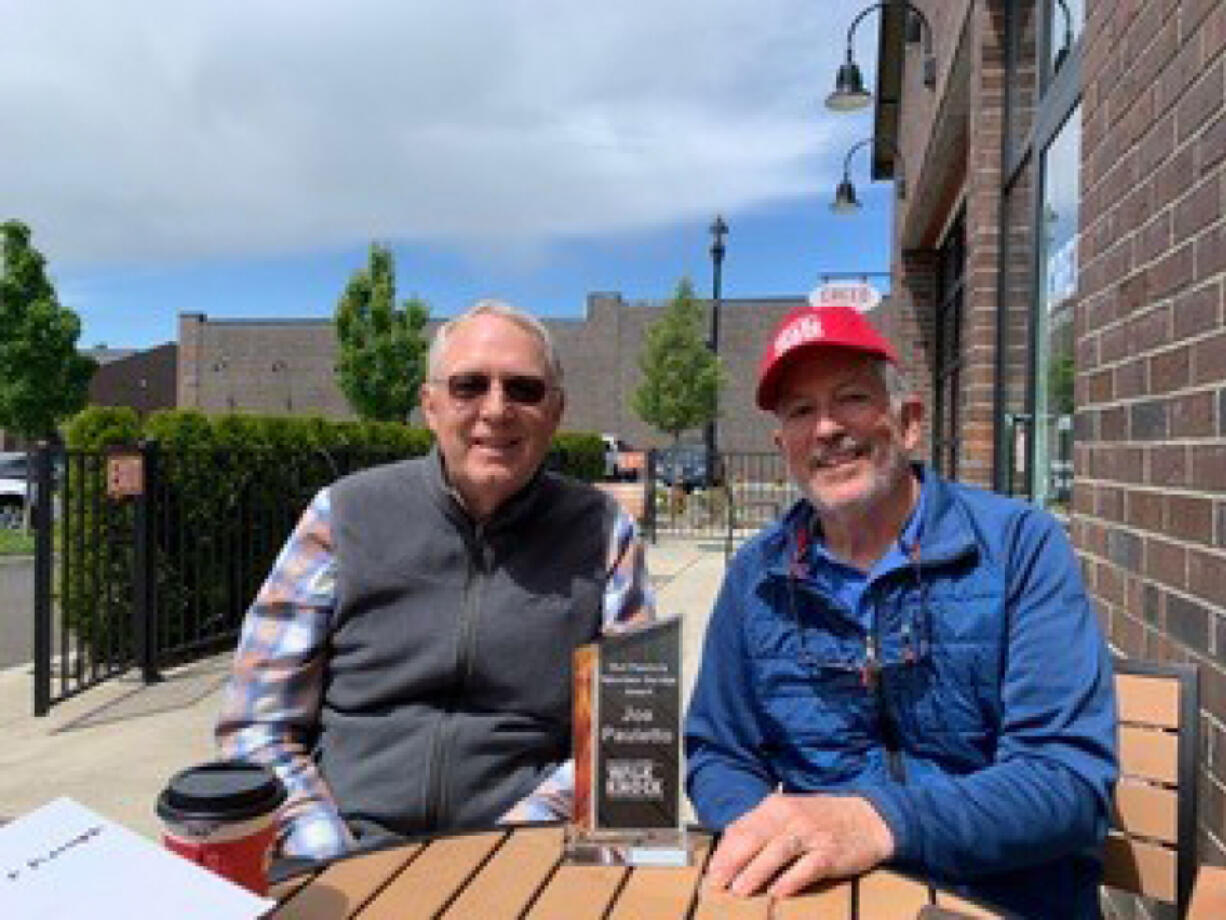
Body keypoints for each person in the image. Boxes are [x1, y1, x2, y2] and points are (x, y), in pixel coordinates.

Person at [684, 304, 1116, 918]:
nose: (828, 428)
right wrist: (763, 837)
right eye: (801, 411)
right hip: (827, 902)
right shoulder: (756, 577)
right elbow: (720, 752)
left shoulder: (1019, 545)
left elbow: (1065, 779)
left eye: (852, 398)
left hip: (1004, 902)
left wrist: (872, 821)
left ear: (909, 423)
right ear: (784, 446)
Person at [216, 300, 654, 861]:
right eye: (469, 385)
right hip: (342, 846)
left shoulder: (602, 531)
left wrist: (503, 856)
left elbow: (631, 737)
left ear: (557, 410)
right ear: (430, 406)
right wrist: (331, 856)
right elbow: (258, 725)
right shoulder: (344, 515)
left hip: (523, 855)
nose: (496, 410)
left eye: (524, 389)